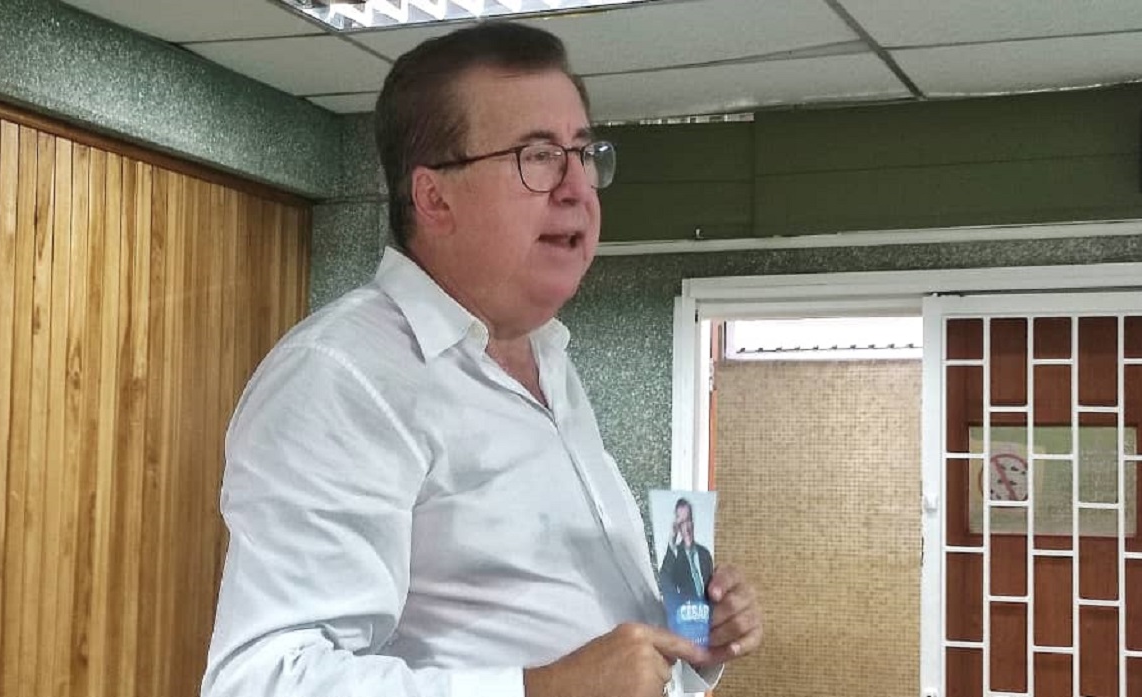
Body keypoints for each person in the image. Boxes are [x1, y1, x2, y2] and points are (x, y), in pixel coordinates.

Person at [201, 20, 762, 697]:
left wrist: (689, 640)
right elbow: (261, 680)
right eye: (538, 156)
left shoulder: (549, 360)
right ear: (434, 197)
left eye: (583, 153)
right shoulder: (341, 377)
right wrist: (541, 689)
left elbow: (566, 634)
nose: (577, 187)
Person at [659, 499, 714, 605]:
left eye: (688, 520)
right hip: (688, 610)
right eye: (682, 523)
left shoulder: (705, 554)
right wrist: (672, 540)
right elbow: (664, 578)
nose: (686, 528)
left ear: (693, 522)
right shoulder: (675, 558)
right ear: (677, 527)